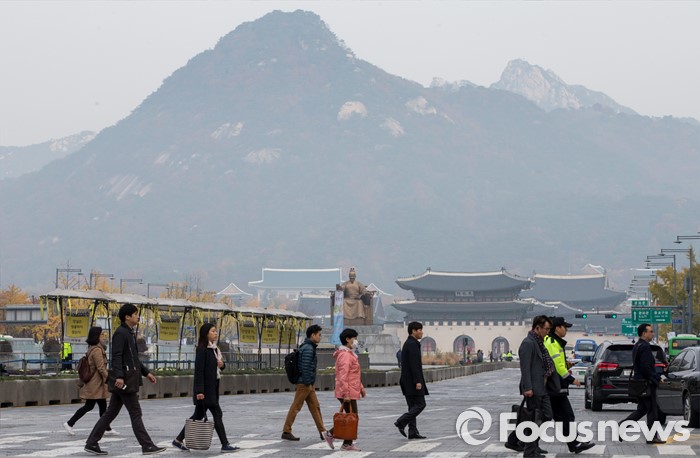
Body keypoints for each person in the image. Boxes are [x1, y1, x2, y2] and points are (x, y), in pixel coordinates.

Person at [84, 303, 166, 456]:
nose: (137, 317)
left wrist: (146, 373)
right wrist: (120, 376)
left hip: (127, 379)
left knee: (110, 413)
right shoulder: (121, 333)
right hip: (125, 381)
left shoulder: (128, 333)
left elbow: (133, 358)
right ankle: (147, 445)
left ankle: (91, 442)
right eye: (135, 314)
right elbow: (117, 356)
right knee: (135, 412)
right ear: (127, 317)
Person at [172, 323, 239, 453]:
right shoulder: (202, 350)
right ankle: (225, 444)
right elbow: (199, 372)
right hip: (206, 390)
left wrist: (222, 365)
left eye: (216, 331)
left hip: (213, 387)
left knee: (198, 415)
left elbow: (217, 367)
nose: (215, 333)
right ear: (206, 334)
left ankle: (178, 440)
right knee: (217, 413)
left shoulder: (215, 349)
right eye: (213, 331)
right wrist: (200, 391)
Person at [506, 315, 555, 458]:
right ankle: (530, 451)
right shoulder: (528, 343)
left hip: (542, 387)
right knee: (534, 419)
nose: (547, 332)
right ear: (537, 328)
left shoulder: (539, 343)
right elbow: (525, 367)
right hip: (533, 388)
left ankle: (518, 440)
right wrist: (527, 388)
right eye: (546, 329)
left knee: (546, 416)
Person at [543, 317, 594, 454]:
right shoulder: (552, 342)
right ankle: (574, 443)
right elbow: (556, 366)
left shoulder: (555, 342)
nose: (566, 330)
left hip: (555, 385)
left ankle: (574, 443)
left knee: (559, 417)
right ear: (557, 328)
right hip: (554, 386)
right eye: (565, 327)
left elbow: (558, 363)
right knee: (564, 415)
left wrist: (567, 365)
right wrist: (571, 379)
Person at [281, 324, 334, 448]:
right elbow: (305, 367)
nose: (320, 337)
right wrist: (307, 382)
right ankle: (286, 431)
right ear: (312, 335)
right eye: (319, 335)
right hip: (305, 383)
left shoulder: (308, 347)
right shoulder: (308, 349)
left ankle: (323, 432)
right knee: (296, 407)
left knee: (315, 407)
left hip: (307, 383)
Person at [63, 327, 119, 437]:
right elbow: (101, 368)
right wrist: (109, 379)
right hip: (95, 383)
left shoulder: (93, 348)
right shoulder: (97, 350)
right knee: (89, 406)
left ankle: (107, 428)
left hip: (97, 383)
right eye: (101, 334)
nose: (103, 337)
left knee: (102, 406)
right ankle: (69, 423)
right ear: (97, 336)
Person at [619, 323, 664, 444]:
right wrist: (656, 378)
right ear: (644, 333)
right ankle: (652, 437)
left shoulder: (638, 345)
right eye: (651, 331)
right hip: (646, 384)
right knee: (652, 411)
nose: (653, 334)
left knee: (642, 409)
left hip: (639, 383)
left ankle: (622, 426)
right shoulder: (644, 347)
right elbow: (646, 368)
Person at [328, 328, 366, 451]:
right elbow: (343, 376)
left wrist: (360, 387)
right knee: (352, 417)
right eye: (354, 338)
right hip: (347, 391)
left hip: (351, 390)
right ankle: (341, 441)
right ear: (347, 339)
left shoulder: (349, 354)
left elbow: (353, 375)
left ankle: (339, 438)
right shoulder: (345, 355)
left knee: (352, 416)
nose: (356, 341)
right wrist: (346, 394)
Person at [394, 321, 428, 440]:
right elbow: (414, 365)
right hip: (412, 382)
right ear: (413, 331)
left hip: (406, 381)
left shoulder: (409, 343)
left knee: (412, 406)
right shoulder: (412, 344)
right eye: (420, 330)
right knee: (421, 404)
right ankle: (401, 421)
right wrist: (418, 381)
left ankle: (412, 431)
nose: (421, 332)